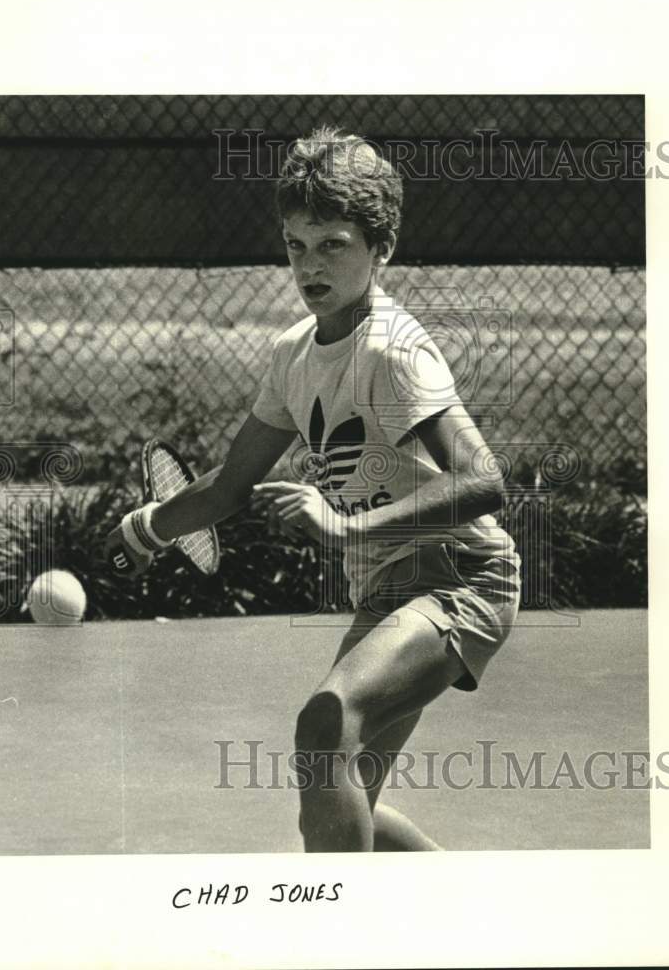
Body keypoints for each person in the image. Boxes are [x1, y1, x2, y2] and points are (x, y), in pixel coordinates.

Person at [104, 126, 521, 852]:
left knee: (325, 720)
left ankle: (340, 940)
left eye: (332, 244)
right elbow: (233, 484)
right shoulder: (293, 353)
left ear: (379, 247)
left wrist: (345, 527)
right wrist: (150, 527)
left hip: (462, 581)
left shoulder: (393, 352)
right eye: (295, 245)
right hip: (387, 591)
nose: (309, 265)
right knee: (336, 805)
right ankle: (466, 909)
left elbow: (483, 481)